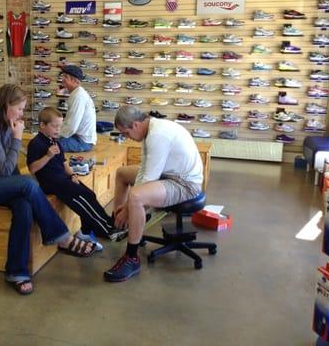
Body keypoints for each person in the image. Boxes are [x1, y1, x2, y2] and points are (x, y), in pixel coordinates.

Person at [0, 84, 96, 295]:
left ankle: (16, 272)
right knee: (28, 184)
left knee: (24, 205)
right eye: (19, 109)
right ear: (6, 105)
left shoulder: (2, 123)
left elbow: (6, 168)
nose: (22, 114)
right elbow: (4, 169)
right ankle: (62, 237)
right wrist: (17, 137)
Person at [103, 106, 203, 282]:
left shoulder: (157, 135)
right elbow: (144, 169)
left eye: (126, 133)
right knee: (122, 173)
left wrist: (128, 208)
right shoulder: (150, 129)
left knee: (136, 197)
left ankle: (132, 258)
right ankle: (118, 226)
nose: (127, 138)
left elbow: (148, 179)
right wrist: (123, 210)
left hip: (185, 183)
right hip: (170, 174)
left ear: (135, 125)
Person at [27, 107, 125, 250]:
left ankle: (95, 228)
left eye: (60, 126)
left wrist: (72, 175)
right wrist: (47, 156)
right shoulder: (36, 143)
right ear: (42, 125)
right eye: (55, 126)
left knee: (89, 194)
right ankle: (106, 229)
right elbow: (32, 168)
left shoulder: (54, 141)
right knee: (82, 197)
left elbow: (63, 162)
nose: (58, 130)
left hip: (63, 179)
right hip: (51, 183)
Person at [58, 65, 97, 152]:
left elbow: (72, 127)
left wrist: (56, 134)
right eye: (63, 76)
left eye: (66, 77)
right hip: (80, 138)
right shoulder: (77, 93)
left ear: (75, 80)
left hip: (82, 142)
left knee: (48, 146)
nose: (62, 79)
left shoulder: (77, 97)